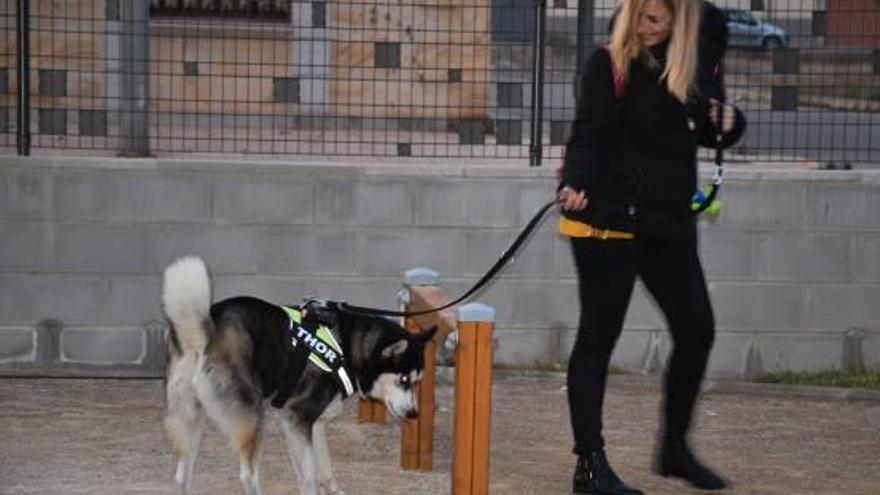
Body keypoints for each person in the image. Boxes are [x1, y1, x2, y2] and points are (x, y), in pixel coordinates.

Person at [557, 1, 745, 494]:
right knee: (598, 337)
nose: (646, 28)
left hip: (669, 222)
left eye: (657, 20)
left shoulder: (696, 64)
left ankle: (674, 449)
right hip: (608, 222)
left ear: (678, 22)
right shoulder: (610, 62)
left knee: (697, 329)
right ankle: (590, 464)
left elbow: (707, 128)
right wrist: (577, 180)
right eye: (639, 16)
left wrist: (729, 122)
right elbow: (589, 134)